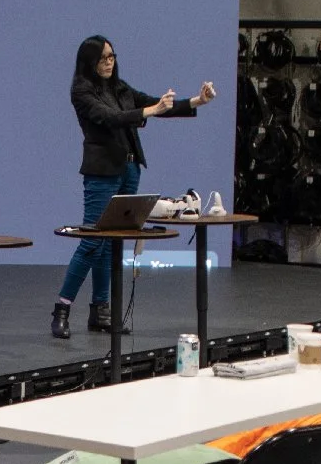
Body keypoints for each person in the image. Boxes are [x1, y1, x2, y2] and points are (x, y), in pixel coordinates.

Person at [53, 36, 215, 340]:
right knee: (92, 241)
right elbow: (110, 118)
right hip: (102, 173)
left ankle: (100, 310)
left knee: (112, 243)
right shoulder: (82, 91)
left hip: (129, 169)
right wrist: (150, 111)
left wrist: (196, 101)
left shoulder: (121, 88)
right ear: (89, 61)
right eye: (102, 58)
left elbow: (155, 103)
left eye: (112, 56)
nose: (109, 61)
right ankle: (61, 309)